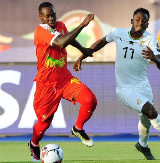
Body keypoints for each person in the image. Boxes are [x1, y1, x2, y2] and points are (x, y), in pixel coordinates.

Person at [73, 7, 160, 160]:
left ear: (147, 24)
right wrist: (81, 57)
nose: (140, 23)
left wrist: (154, 58)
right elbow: (99, 43)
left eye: (144, 21)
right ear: (132, 21)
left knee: (146, 119)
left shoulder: (150, 40)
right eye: (137, 20)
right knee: (150, 111)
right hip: (125, 90)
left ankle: (142, 145)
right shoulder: (118, 33)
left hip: (143, 87)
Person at [28, 2, 97, 162]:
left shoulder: (60, 25)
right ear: (40, 17)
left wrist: (83, 50)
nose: (51, 18)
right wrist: (82, 24)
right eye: (47, 16)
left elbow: (69, 39)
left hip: (64, 79)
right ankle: (34, 144)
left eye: (53, 15)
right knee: (44, 124)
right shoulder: (41, 31)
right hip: (46, 85)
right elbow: (61, 42)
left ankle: (78, 128)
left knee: (90, 100)